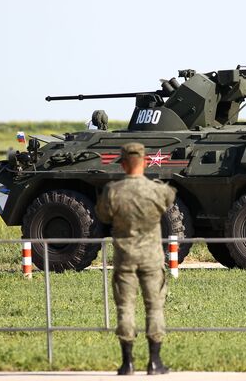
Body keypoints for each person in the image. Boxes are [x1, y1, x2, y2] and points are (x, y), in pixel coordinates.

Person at [95, 142, 176, 376]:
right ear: (147, 162)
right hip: (152, 258)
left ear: (122, 163)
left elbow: (103, 215)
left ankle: (127, 363)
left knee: (125, 307)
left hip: (125, 258)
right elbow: (168, 201)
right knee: (155, 307)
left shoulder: (113, 191)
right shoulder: (158, 190)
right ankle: (154, 362)